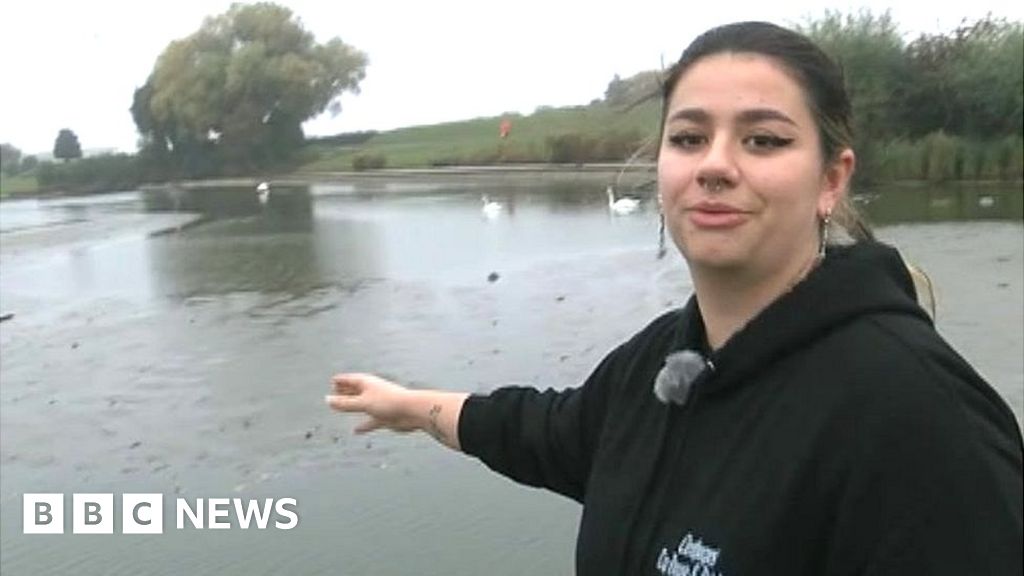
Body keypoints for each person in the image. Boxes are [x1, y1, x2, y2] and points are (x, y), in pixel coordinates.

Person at [326, 21, 1023, 575]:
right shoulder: (661, 368)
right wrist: (410, 407)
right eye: (689, 137)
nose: (716, 164)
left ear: (830, 180)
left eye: (764, 139)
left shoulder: (920, 417)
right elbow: (541, 431)